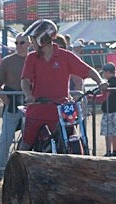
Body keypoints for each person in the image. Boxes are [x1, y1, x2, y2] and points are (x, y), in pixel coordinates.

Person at [19, 19, 107, 150]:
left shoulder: (65, 56)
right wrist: (28, 95)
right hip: (38, 108)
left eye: (33, 39)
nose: (31, 43)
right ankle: (17, 169)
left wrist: (100, 81)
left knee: (74, 139)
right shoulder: (32, 58)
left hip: (62, 109)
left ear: (42, 38)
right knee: (25, 146)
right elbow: (25, 80)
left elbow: (88, 70)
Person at [0, 34, 30, 181]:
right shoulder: (8, 61)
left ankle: (25, 172)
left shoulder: (34, 59)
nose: (19, 45)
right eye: (17, 42)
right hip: (13, 105)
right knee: (6, 140)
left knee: (29, 140)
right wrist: (6, 101)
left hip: (30, 105)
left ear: (29, 44)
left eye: (22, 42)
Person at [96, 63, 116, 157]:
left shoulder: (108, 84)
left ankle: (108, 151)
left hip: (108, 110)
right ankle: (115, 151)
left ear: (108, 72)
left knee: (107, 132)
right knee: (115, 132)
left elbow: (103, 98)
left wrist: (91, 97)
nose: (103, 75)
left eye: (104, 73)